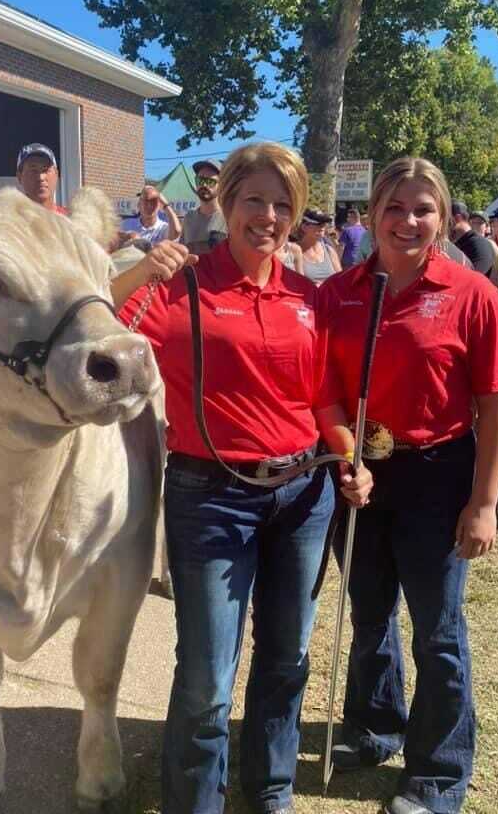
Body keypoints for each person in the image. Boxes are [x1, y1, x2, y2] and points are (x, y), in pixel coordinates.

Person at [111, 141, 371, 814]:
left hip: (304, 496)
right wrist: (139, 272)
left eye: (283, 203)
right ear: (225, 203)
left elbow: (323, 400)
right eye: (254, 198)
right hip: (211, 497)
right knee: (206, 681)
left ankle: (269, 792)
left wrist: (349, 455)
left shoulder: (307, 296)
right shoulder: (181, 282)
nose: (269, 215)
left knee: (285, 663)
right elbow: (95, 329)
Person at [318, 157, 498, 814]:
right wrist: (347, 459)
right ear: (373, 213)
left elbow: (496, 405)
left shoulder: (471, 292)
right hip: (361, 473)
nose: (408, 222)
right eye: (395, 208)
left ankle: (438, 770)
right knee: (370, 613)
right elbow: (324, 392)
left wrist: (484, 504)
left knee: (437, 627)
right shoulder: (339, 291)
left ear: (442, 216)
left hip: (438, 473)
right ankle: (376, 728)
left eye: (423, 209)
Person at [181, 159, 228, 254]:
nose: (204, 185)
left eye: (210, 181)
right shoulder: (189, 217)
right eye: (200, 180)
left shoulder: (229, 218)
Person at [15, 143, 67, 214]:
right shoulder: (10, 222)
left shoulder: (71, 220)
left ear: (56, 174)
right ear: (19, 176)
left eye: (46, 170)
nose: (41, 177)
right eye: (33, 170)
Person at [450, 201, 495, 275]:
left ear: (457, 219)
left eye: (444, 219)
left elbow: (474, 278)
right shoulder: (459, 243)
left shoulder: (479, 245)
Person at [298, 209, 342, 284]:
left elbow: (340, 280)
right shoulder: (294, 251)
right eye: (318, 223)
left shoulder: (329, 250)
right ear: (304, 227)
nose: (322, 227)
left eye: (324, 224)